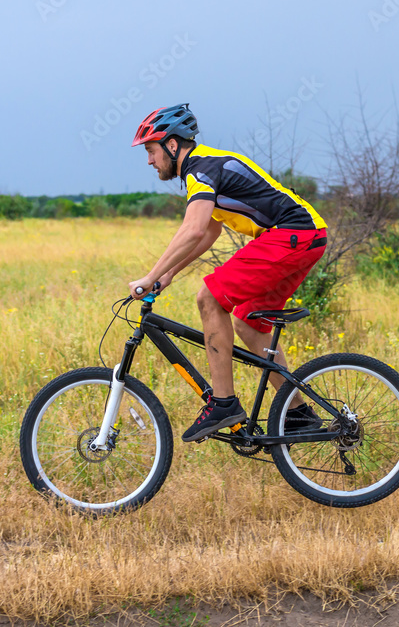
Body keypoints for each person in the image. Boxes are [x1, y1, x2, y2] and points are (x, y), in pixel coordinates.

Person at [127, 103, 328, 442]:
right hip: (304, 237)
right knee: (249, 324)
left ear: (172, 145)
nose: (149, 160)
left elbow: (193, 229)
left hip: (292, 234)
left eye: (151, 150)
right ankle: (299, 413)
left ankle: (223, 402)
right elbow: (209, 232)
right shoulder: (205, 166)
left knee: (209, 297)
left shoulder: (201, 170)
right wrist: (170, 273)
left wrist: (150, 275)